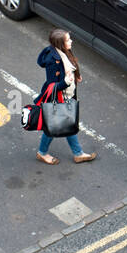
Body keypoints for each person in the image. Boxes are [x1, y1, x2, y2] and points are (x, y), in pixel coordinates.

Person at [35, 29, 96, 165]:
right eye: (68, 40)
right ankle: (42, 153)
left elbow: (71, 63)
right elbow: (52, 86)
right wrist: (67, 82)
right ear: (60, 44)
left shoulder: (62, 52)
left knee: (66, 125)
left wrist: (76, 75)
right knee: (53, 127)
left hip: (67, 97)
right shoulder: (52, 61)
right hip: (59, 100)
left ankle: (78, 153)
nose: (71, 41)